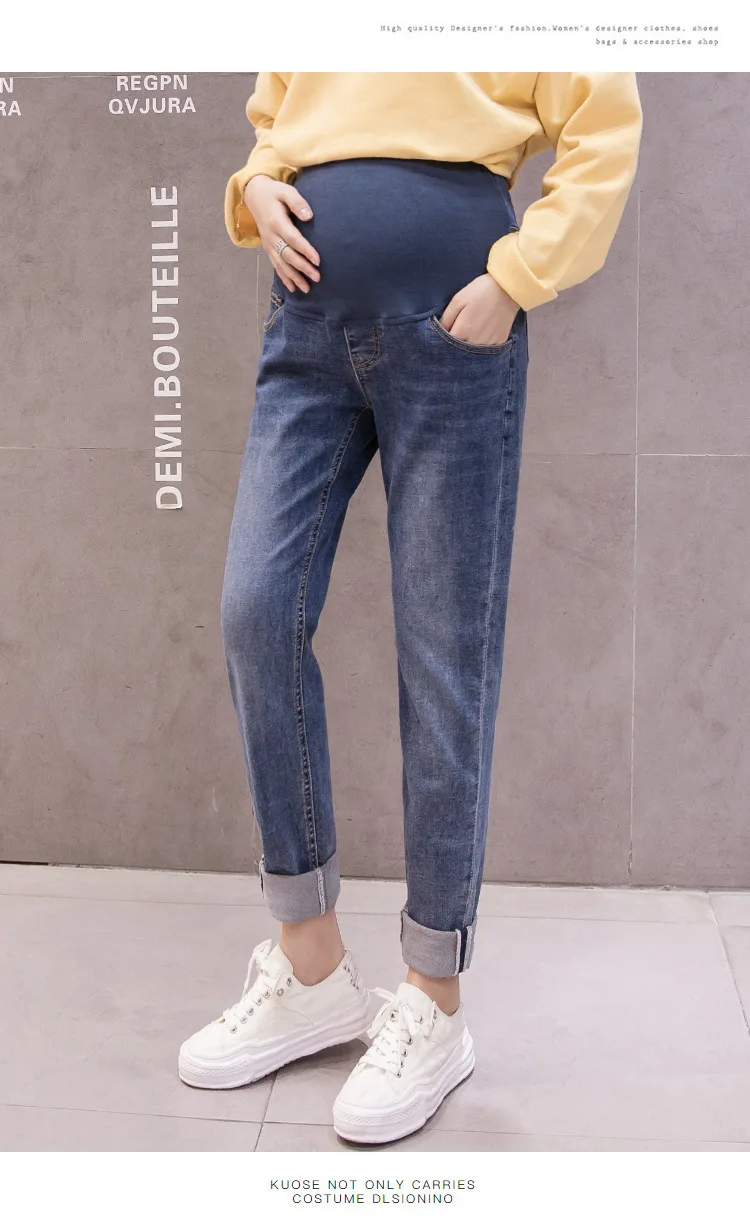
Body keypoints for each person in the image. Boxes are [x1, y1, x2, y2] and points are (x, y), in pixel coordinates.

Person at [178, 72, 643, 1145]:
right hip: (307, 328)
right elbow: (276, 121)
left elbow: (604, 128)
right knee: (255, 612)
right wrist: (256, 188)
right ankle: (312, 967)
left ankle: (433, 997)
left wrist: (516, 278)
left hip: (453, 328)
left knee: (442, 653)